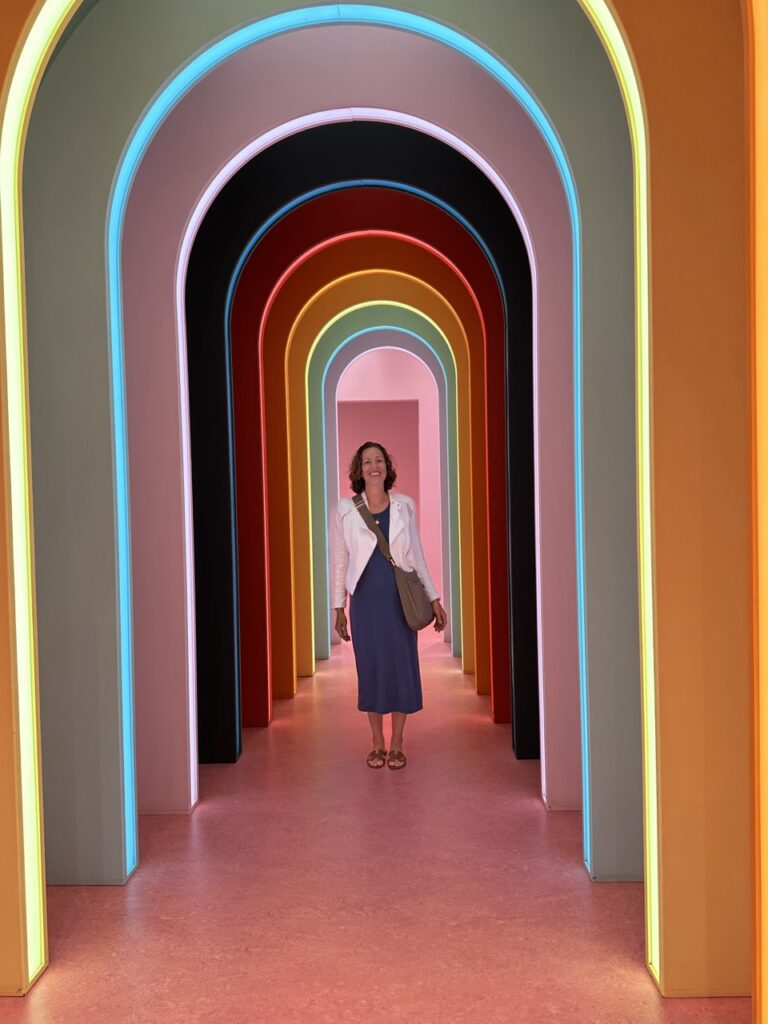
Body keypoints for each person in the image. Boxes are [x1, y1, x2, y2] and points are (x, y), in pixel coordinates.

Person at [332, 441, 447, 770]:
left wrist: (434, 597)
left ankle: (397, 743)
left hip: (400, 602)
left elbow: (417, 556)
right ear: (359, 470)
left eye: (378, 460)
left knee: (400, 667)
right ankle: (376, 742)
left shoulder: (404, 506)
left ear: (387, 466)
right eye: (367, 461)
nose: (373, 466)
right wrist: (338, 606)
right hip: (365, 602)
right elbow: (340, 559)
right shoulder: (345, 510)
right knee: (370, 668)